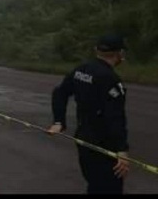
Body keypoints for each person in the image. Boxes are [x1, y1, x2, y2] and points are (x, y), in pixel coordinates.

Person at [48, 34, 130, 195]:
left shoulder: (81, 70)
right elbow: (114, 117)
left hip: (83, 139)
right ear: (120, 53)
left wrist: (59, 121)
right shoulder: (111, 79)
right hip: (105, 146)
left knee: (95, 184)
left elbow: (60, 93)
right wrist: (122, 149)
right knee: (109, 188)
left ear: (96, 50)